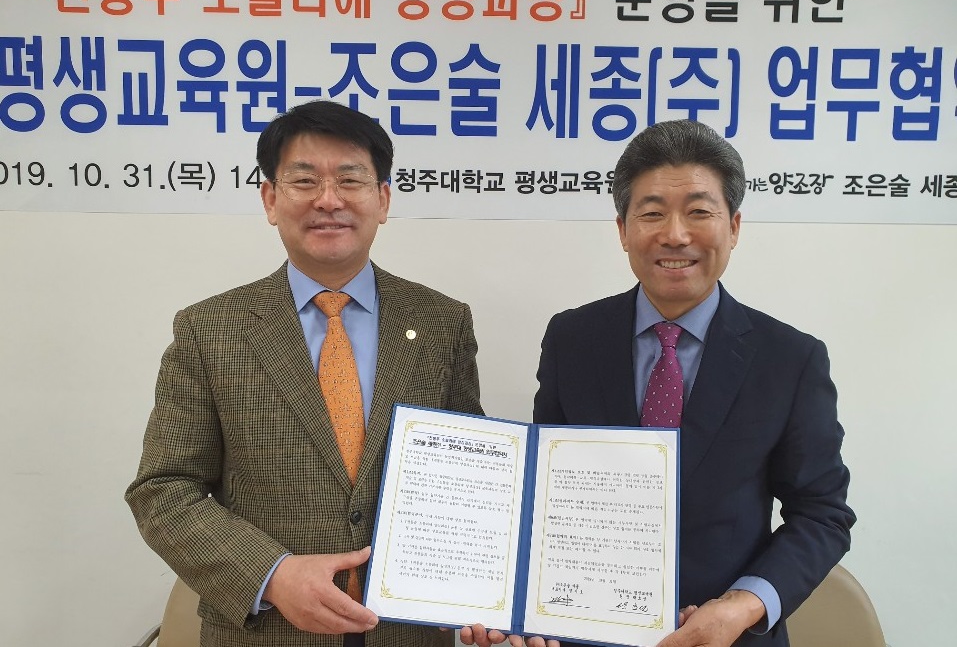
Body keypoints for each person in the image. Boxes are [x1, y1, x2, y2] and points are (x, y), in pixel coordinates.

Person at [126, 100, 484, 647]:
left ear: (383, 199)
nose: (329, 200)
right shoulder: (210, 329)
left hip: (407, 632)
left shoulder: (442, 323)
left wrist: (488, 592)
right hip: (270, 632)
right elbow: (163, 490)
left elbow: (470, 475)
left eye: (350, 179)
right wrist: (271, 575)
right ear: (270, 199)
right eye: (304, 180)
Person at [532, 119, 856, 647]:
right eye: (652, 213)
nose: (676, 234)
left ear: (734, 226)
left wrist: (743, 605)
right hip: (582, 630)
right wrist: (512, 605)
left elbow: (822, 514)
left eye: (700, 212)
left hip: (730, 636)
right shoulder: (572, 338)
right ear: (623, 230)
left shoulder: (790, 358)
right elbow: (545, 487)